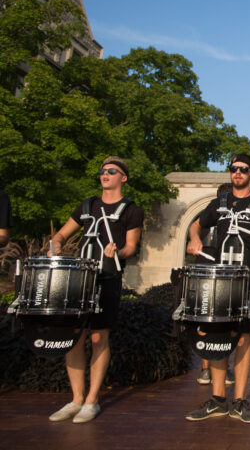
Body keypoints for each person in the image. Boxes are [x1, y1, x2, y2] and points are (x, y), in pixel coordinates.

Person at [48, 156, 144, 423]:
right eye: (103, 171)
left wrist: (119, 250)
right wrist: (54, 245)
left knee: (98, 337)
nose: (105, 174)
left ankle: (92, 400)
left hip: (107, 277)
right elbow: (62, 235)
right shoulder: (87, 205)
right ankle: (76, 398)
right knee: (74, 336)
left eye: (111, 171)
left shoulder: (131, 210)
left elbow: (131, 247)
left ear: (122, 177)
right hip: (79, 280)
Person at [185, 154, 250, 423]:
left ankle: (238, 400)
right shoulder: (220, 203)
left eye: (243, 169)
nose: (238, 173)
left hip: (248, 280)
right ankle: (217, 399)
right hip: (220, 280)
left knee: (244, 338)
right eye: (234, 169)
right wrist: (194, 240)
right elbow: (196, 225)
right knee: (217, 336)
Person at [195, 184, 235, 386]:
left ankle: (220, 367)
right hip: (205, 269)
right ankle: (205, 368)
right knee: (205, 321)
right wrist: (194, 239)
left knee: (223, 322)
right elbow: (196, 228)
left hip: (222, 270)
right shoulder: (211, 212)